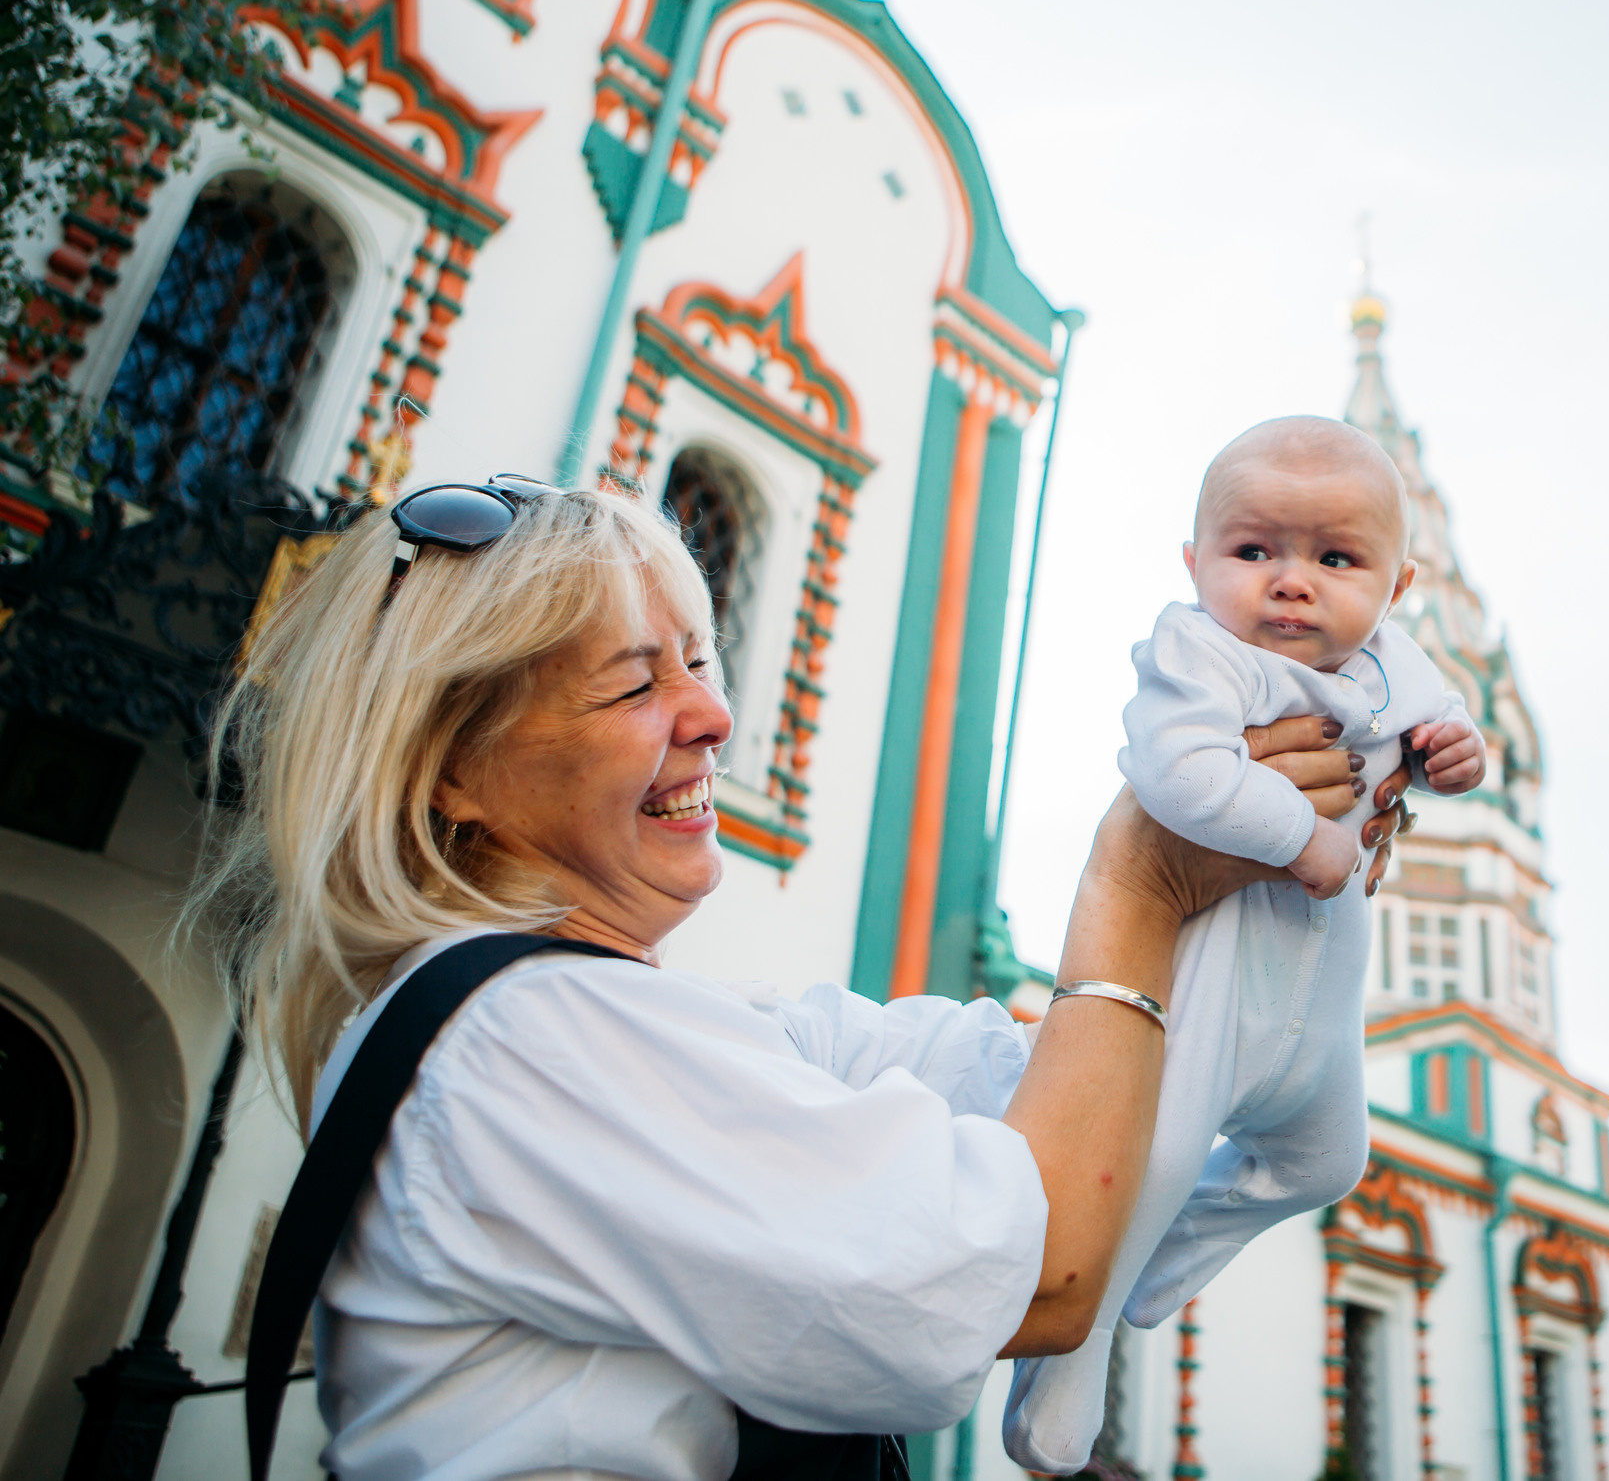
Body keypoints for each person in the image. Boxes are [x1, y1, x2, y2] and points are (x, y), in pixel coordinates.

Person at [196, 475, 1415, 1481]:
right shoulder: (530, 1038)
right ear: (447, 775)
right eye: (635, 682)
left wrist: (1250, 877)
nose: (713, 715)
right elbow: (1039, 1271)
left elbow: (1024, 1087)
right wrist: (1139, 885)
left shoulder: (642, 1032)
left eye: (698, 657)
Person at [1004, 417, 1485, 1472]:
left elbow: (1448, 726)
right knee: (1155, 1160)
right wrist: (1302, 838)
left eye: (1334, 558)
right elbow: (1175, 776)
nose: (1290, 583)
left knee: (1327, 1160)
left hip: (1319, 1001)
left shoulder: (1394, 663)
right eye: (1253, 551)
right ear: (1195, 563)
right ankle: (1066, 1372)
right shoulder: (1201, 653)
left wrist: (1456, 754)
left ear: (1396, 587)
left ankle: (1163, 1264)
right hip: (1218, 979)